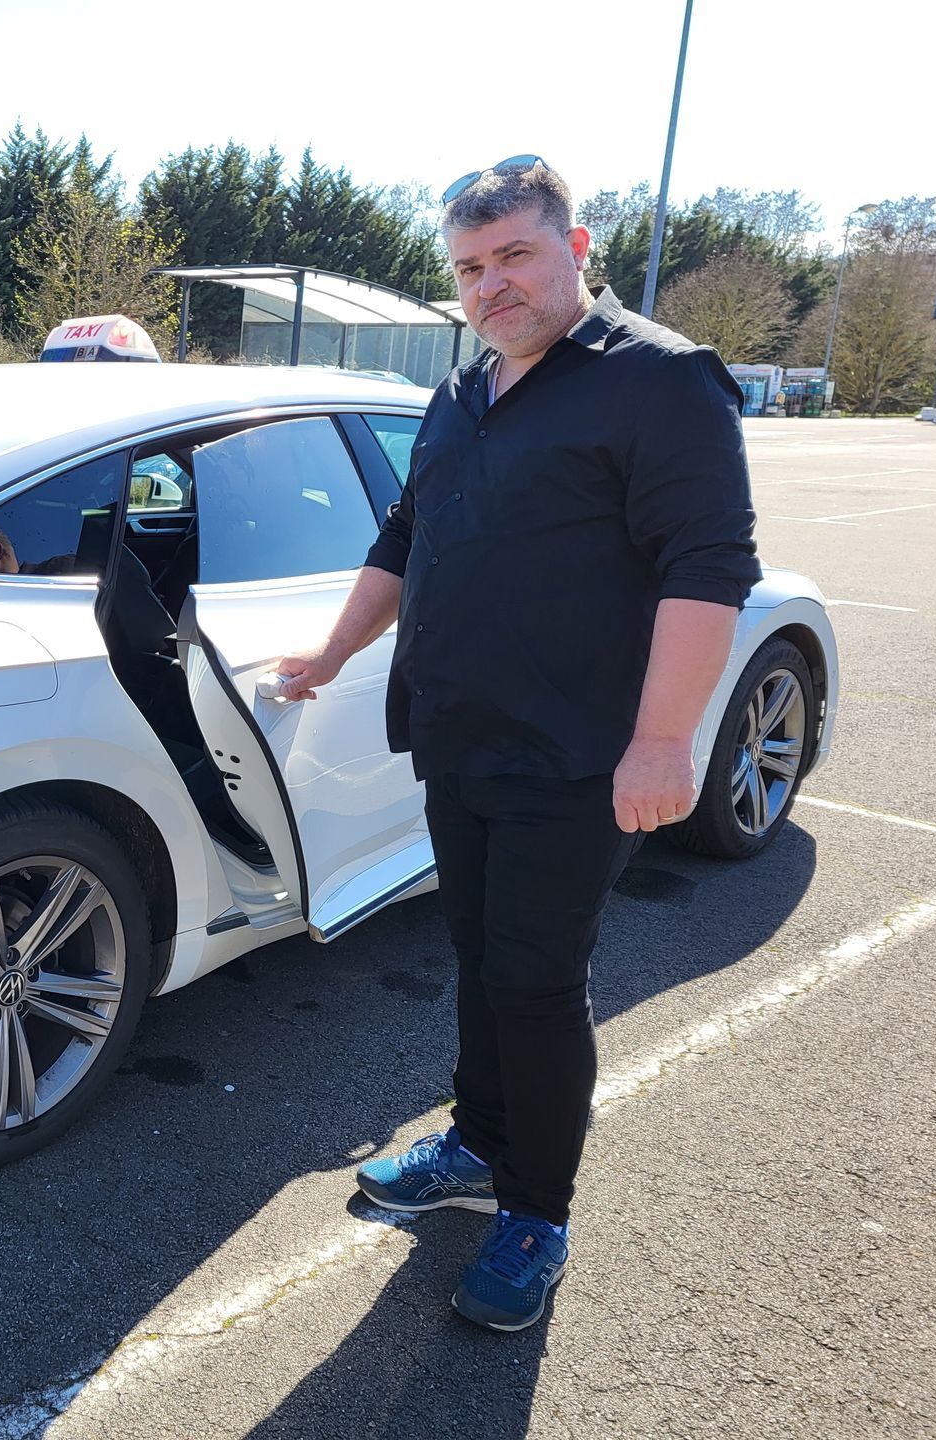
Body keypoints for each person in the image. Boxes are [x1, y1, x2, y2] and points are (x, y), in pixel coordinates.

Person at [276, 156, 761, 1332]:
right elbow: (406, 535)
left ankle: (535, 1210)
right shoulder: (462, 392)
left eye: (515, 256)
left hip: (581, 755)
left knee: (537, 982)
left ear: (574, 247)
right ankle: (479, 1143)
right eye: (470, 268)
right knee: (484, 960)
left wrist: (663, 740)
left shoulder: (659, 381)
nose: (492, 285)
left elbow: (710, 566)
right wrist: (338, 652)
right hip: (462, 736)